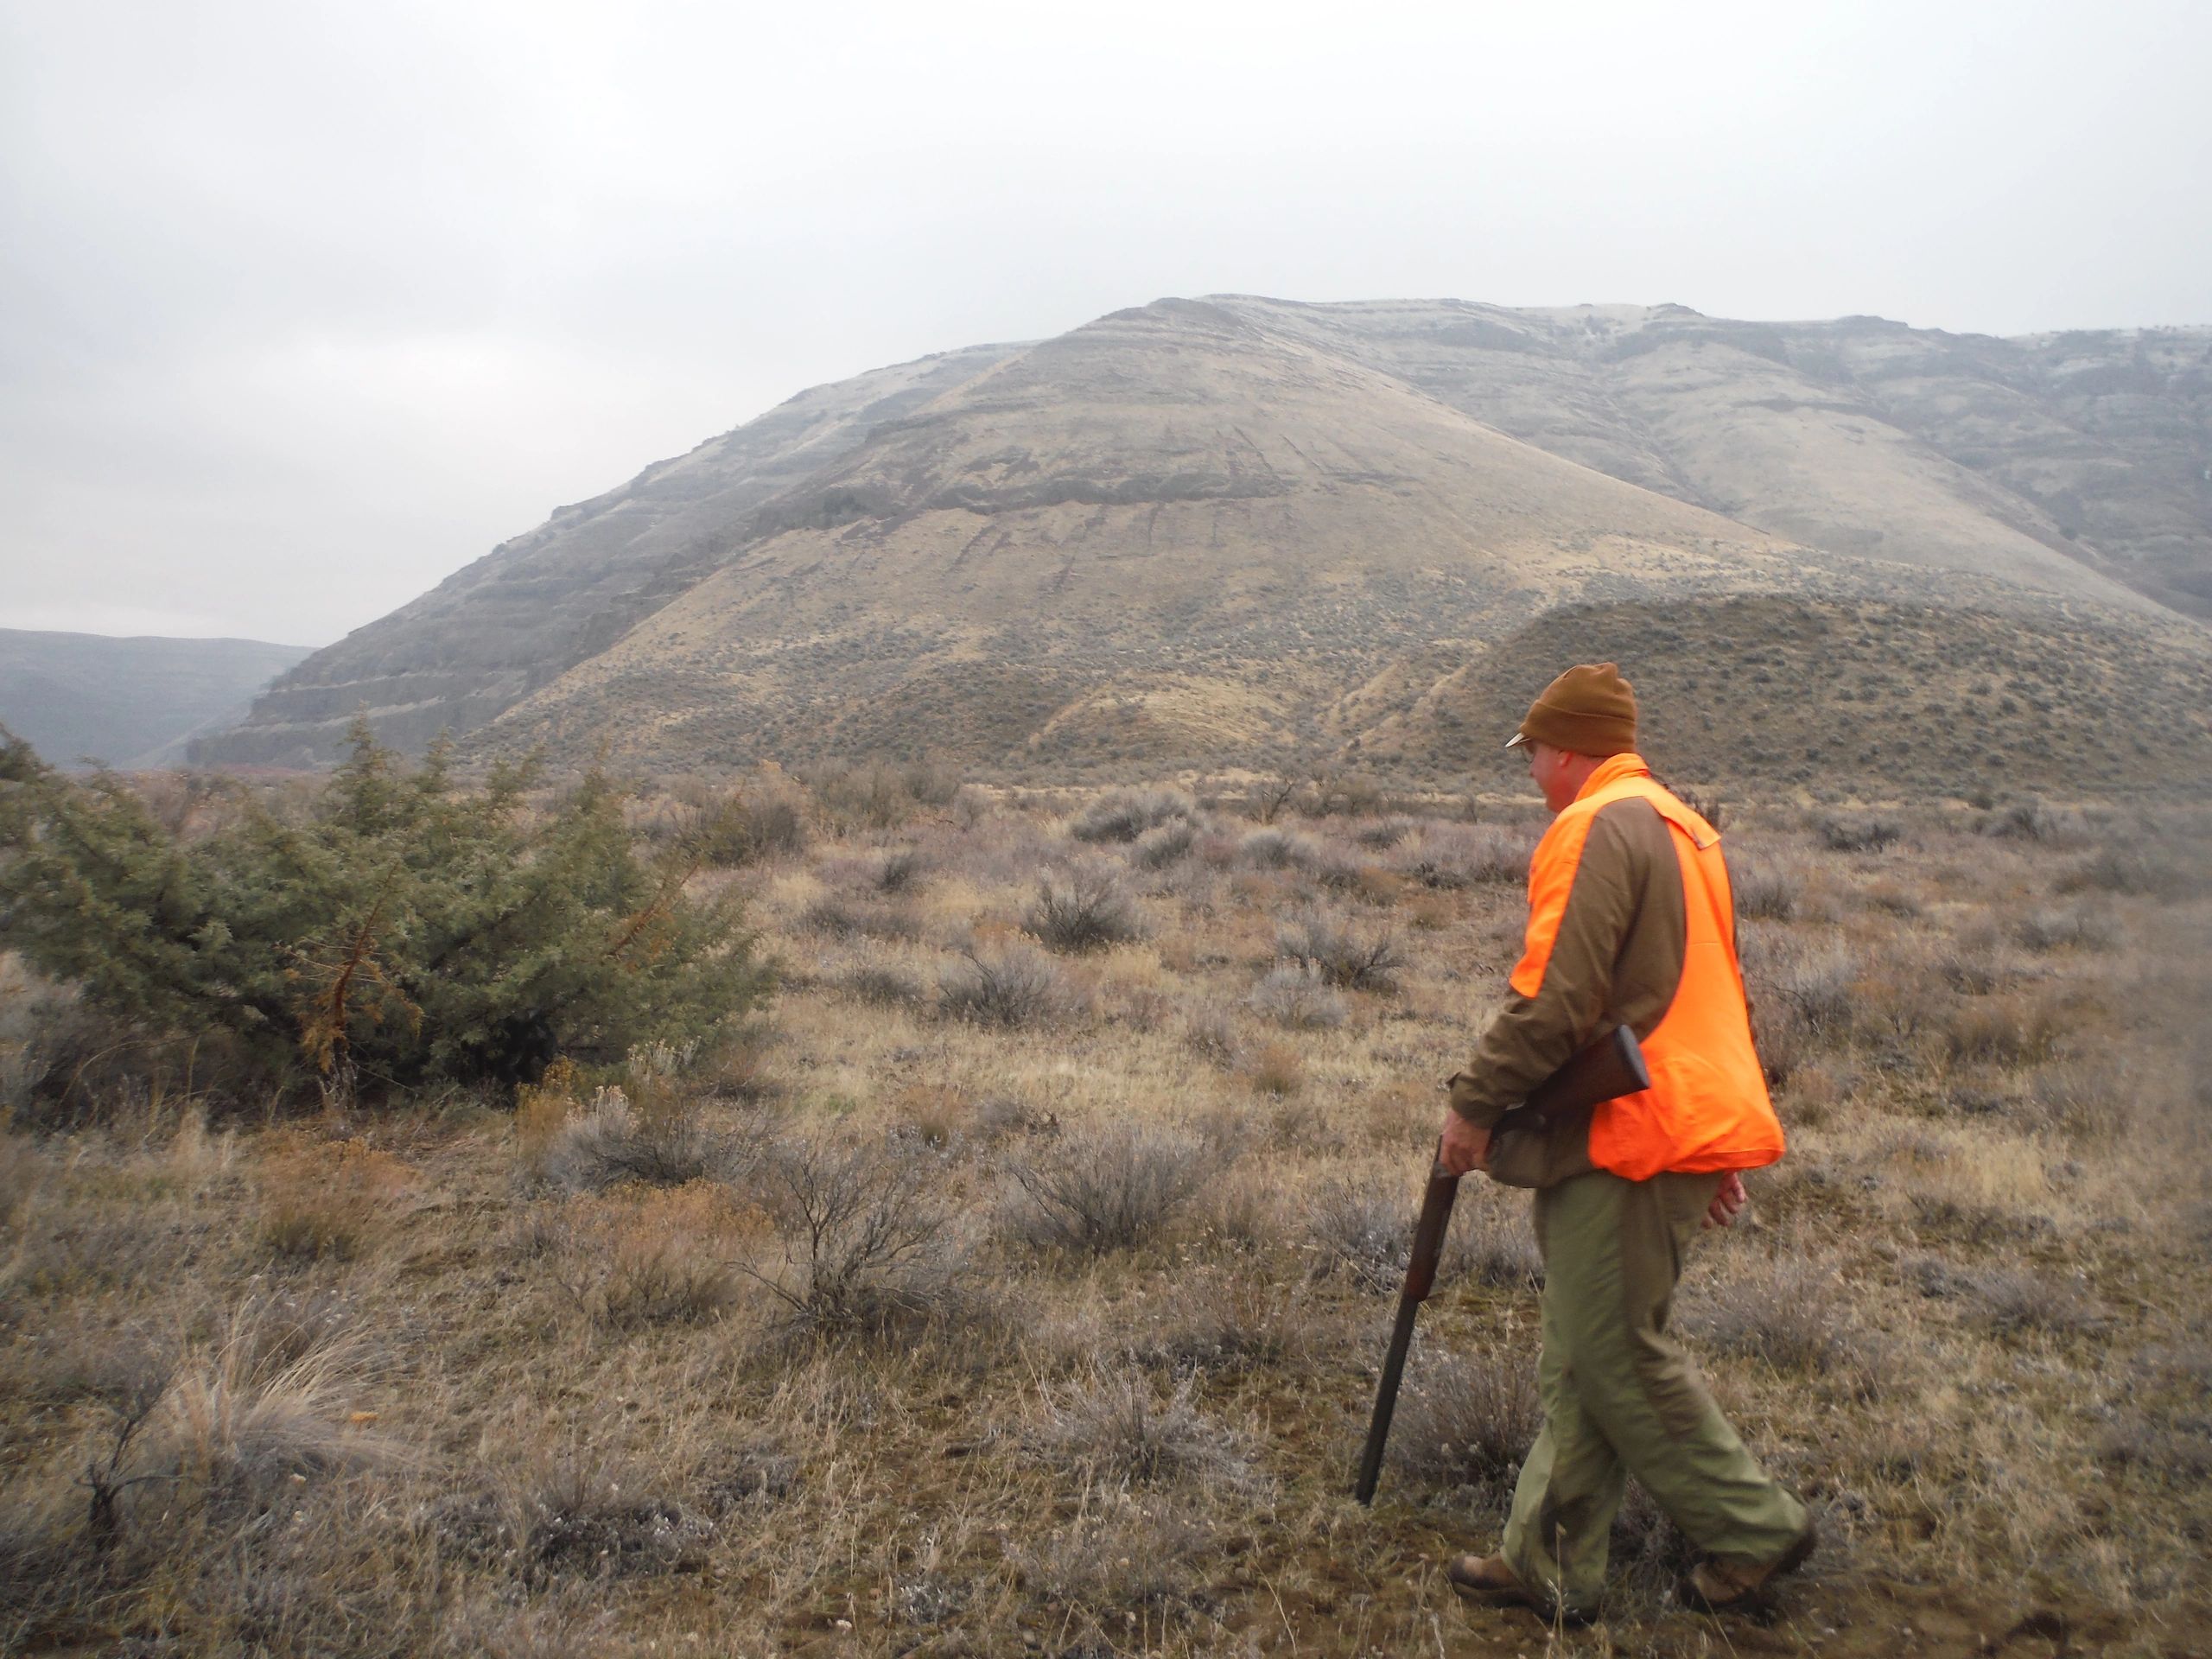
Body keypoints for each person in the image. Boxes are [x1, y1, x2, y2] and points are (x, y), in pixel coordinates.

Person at [1436, 662, 1814, 1624]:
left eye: (1533, 755)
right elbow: (1707, 997)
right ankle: (1547, 1563)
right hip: (1677, 1117)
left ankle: (1753, 1530)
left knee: (1615, 1355)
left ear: (1568, 750)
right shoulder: (1685, 828)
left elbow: (1556, 998)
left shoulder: (1593, 825)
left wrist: (1473, 1105)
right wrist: (1716, 1143)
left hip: (1632, 1135)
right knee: (1580, 1350)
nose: (1530, 774)